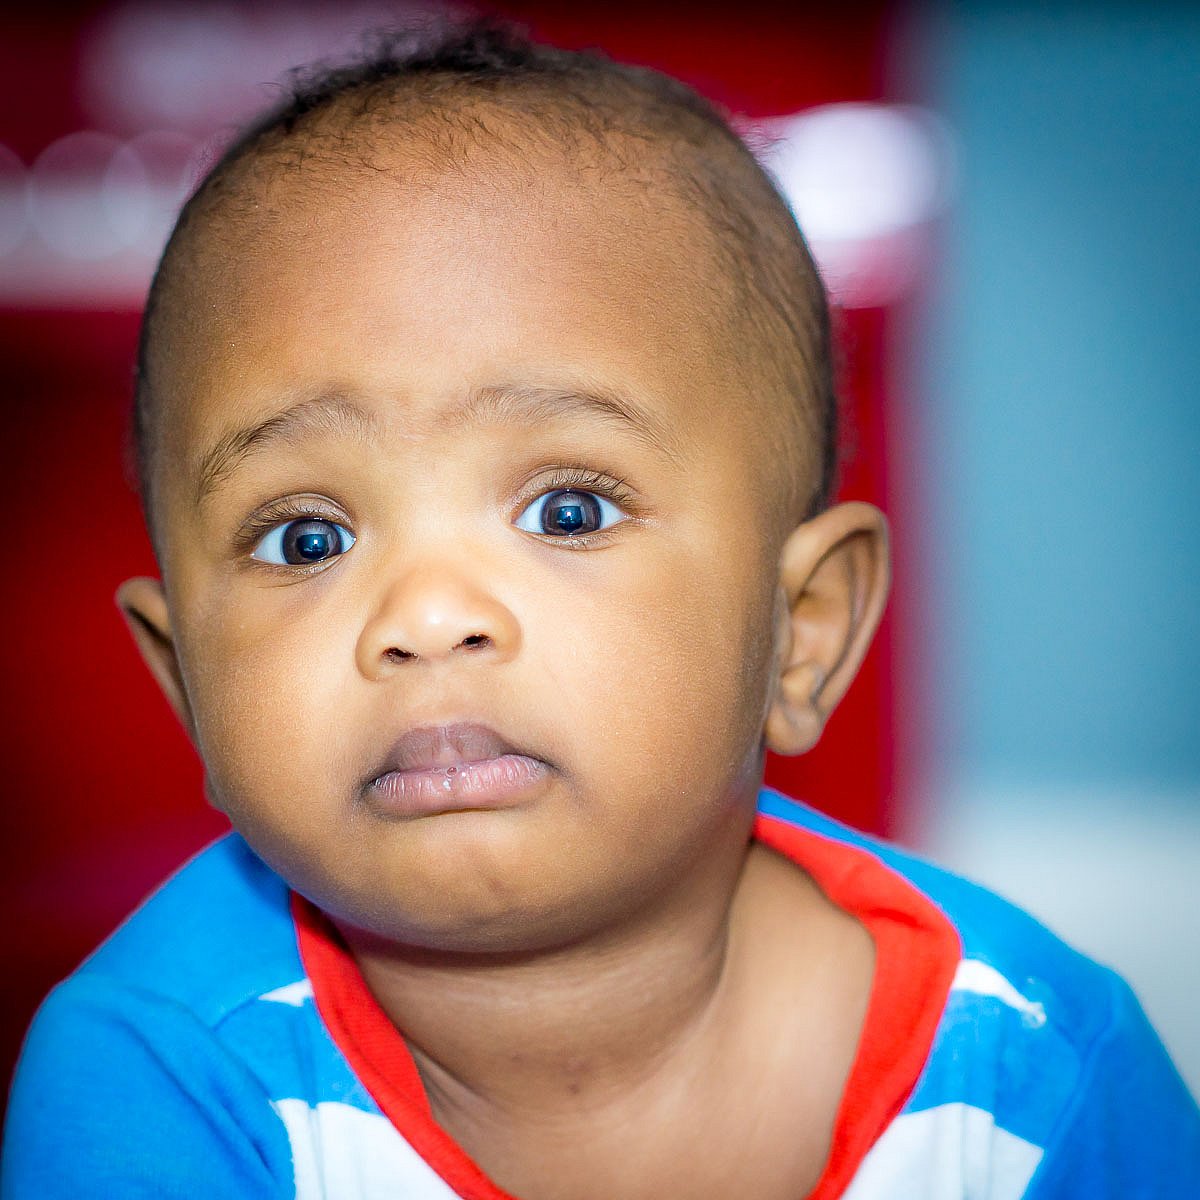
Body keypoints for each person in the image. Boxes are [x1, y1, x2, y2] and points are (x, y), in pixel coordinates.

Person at [3, 21, 1197, 1200]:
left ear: (804, 629)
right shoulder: (155, 1082)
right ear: (185, 682)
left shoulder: (1035, 1072)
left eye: (568, 511)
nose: (428, 615)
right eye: (306, 539)